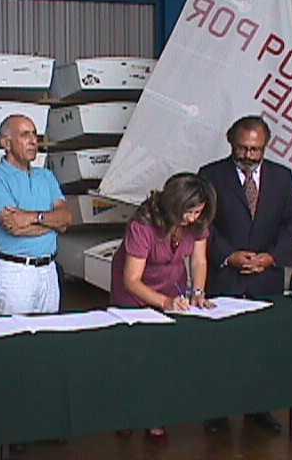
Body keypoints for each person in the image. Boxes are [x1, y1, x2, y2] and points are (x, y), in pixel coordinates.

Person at [199, 115, 292, 434]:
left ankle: (258, 409)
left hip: (266, 278)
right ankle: (218, 411)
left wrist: (270, 258)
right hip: (225, 276)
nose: (249, 155)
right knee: (224, 347)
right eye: (243, 148)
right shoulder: (210, 174)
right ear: (231, 141)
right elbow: (204, 225)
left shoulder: (283, 177)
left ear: (265, 147)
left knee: (262, 346)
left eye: (256, 149)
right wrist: (229, 256)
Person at [110, 172, 217, 439]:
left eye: (198, 212)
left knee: (163, 354)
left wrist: (198, 292)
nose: (192, 218)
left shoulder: (199, 222)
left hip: (172, 284)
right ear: (173, 204)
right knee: (134, 355)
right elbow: (131, 280)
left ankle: (154, 414)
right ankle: (125, 414)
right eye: (188, 211)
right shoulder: (143, 224)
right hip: (134, 293)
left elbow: (199, 261)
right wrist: (165, 302)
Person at [0, 114, 72, 316]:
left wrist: (33, 217)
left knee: (48, 339)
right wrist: (51, 223)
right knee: (14, 341)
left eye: (35, 135)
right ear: (6, 143)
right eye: (24, 135)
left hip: (48, 272)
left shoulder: (46, 176)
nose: (33, 141)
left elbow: (66, 220)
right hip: (15, 273)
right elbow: (14, 227)